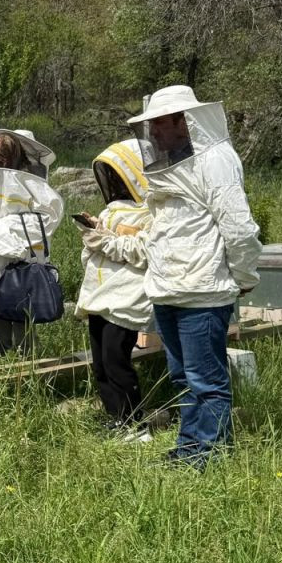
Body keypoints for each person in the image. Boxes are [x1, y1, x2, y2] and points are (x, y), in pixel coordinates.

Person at [127, 84, 261, 467]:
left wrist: (243, 274)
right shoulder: (175, 165)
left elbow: (238, 228)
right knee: (183, 379)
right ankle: (189, 448)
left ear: (183, 122)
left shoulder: (216, 159)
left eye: (159, 124)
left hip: (204, 291)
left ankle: (211, 455)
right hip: (169, 289)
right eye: (150, 125)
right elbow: (168, 229)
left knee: (207, 382)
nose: (152, 133)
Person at [75, 139, 154, 438]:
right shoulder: (109, 212)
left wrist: (105, 241)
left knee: (116, 360)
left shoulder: (150, 214)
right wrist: (94, 231)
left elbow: (145, 253)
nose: (113, 181)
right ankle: (117, 420)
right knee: (101, 365)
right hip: (100, 295)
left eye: (118, 175)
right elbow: (96, 253)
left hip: (127, 298)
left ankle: (135, 423)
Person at [0, 129, 65, 354]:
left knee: (24, 327)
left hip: (26, 264)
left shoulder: (35, 184)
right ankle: (0, 369)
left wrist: (7, 228)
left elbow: (45, 220)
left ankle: (29, 371)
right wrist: (6, 231)